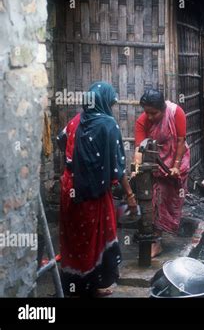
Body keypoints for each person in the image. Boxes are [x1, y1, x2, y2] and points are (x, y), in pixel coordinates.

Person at [59, 81, 137, 297]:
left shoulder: (75, 121)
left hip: (70, 188)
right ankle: (92, 287)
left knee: (75, 240)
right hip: (92, 194)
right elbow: (118, 167)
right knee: (95, 239)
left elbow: (60, 139)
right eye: (110, 103)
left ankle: (77, 287)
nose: (111, 107)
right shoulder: (108, 125)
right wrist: (130, 195)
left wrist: (75, 165)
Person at [134, 89, 190, 257]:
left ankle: (159, 236)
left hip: (176, 159)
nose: (149, 117)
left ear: (163, 108)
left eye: (154, 113)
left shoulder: (175, 113)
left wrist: (176, 166)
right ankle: (155, 241)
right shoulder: (142, 121)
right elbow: (139, 147)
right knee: (154, 200)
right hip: (155, 162)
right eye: (147, 112)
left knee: (169, 198)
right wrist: (136, 168)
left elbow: (180, 140)